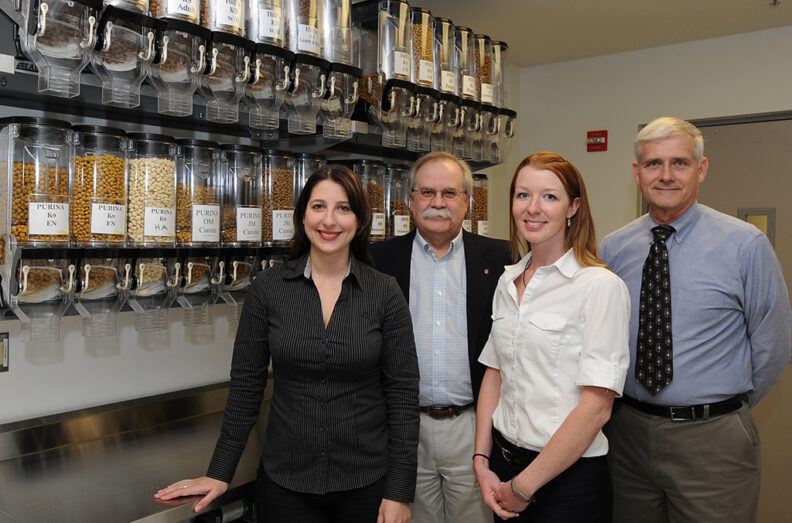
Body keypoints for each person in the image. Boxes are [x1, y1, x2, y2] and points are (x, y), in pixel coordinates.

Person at [155, 165, 420, 523]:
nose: (329, 220)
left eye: (343, 208)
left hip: (367, 484)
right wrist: (220, 472)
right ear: (302, 216)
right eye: (318, 207)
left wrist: (399, 492)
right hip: (286, 483)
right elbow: (247, 386)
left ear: (359, 220)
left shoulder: (384, 292)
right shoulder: (268, 288)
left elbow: (403, 394)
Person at [600, 116, 792, 523]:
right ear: (637, 172)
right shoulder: (614, 248)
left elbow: (774, 342)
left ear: (701, 169)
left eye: (680, 163)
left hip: (712, 441)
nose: (665, 175)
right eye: (653, 164)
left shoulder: (745, 245)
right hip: (627, 436)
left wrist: (722, 406)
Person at [473, 152, 630, 522]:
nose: (533, 208)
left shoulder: (600, 286)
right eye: (523, 195)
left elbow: (597, 407)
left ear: (573, 207)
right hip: (504, 466)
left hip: (567, 482)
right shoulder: (507, 281)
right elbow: (495, 374)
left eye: (550, 197)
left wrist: (525, 486)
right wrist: (481, 459)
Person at [371, 151, 512, 523]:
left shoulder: (503, 258)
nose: (438, 203)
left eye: (449, 193)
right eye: (427, 192)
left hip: (474, 428)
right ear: (411, 200)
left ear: (468, 200)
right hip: (402, 431)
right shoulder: (377, 259)